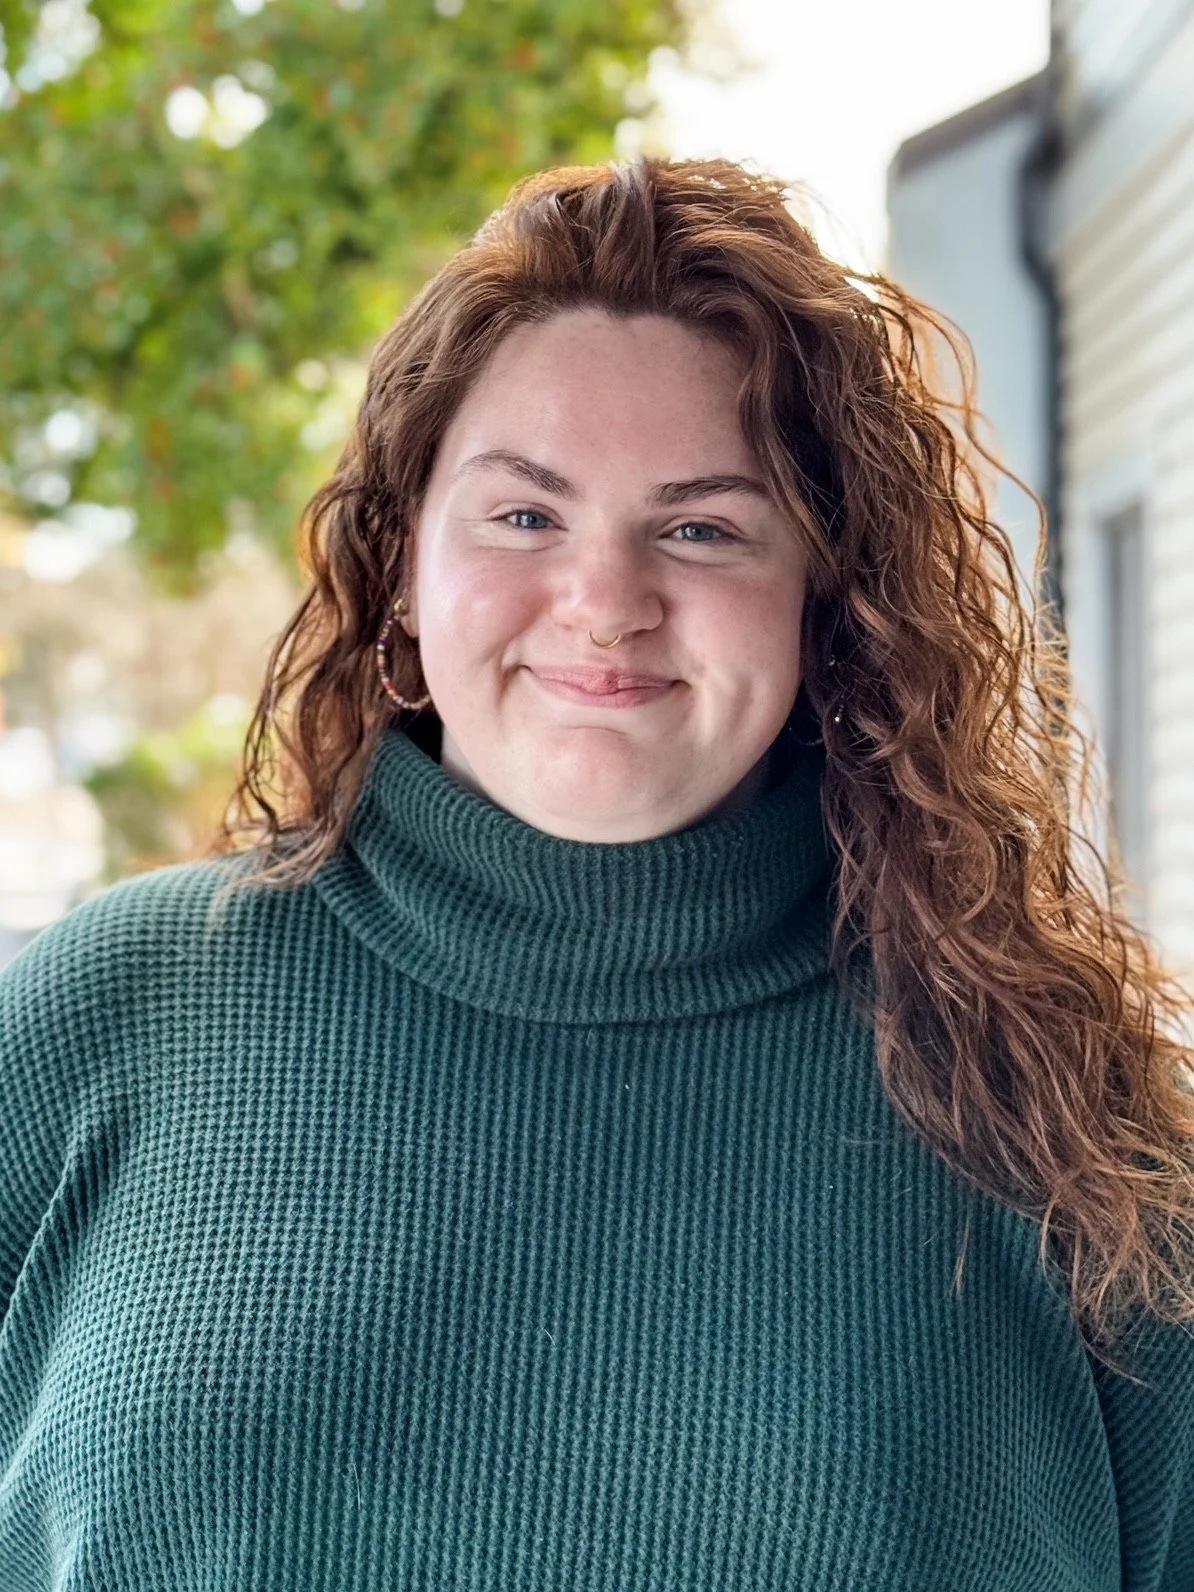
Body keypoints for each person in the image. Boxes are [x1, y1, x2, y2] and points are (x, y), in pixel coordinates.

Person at [2, 156, 1193, 1591]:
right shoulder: (95, 1028)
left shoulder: (1070, 1128)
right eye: (522, 515)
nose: (604, 602)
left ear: (830, 597)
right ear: (399, 566)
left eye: (701, 526)